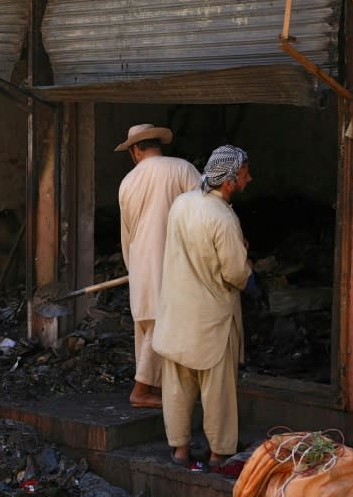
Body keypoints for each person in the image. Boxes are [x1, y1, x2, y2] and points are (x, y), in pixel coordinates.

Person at [153, 145, 253, 467]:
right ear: (230, 180)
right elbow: (235, 272)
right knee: (218, 394)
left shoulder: (182, 203)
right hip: (211, 322)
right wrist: (251, 273)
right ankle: (219, 453)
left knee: (177, 390)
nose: (249, 179)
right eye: (245, 174)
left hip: (175, 316)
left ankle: (180, 451)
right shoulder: (223, 217)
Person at [115, 124, 201, 409]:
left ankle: (160, 389)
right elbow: (205, 213)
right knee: (162, 329)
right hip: (172, 264)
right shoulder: (182, 169)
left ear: (136, 150)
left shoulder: (127, 182)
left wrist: (133, 268)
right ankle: (141, 391)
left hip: (141, 265)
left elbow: (126, 234)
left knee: (148, 329)